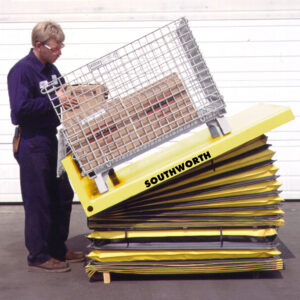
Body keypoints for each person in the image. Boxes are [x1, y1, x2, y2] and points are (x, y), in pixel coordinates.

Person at [7, 21, 85, 272]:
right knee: (38, 198)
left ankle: (57, 248)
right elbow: (20, 111)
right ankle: (39, 255)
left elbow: (61, 95)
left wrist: (71, 99)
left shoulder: (51, 69)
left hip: (53, 139)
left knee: (62, 195)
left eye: (61, 46)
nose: (59, 51)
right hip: (32, 141)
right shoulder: (22, 71)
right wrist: (55, 99)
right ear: (38, 45)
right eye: (55, 47)